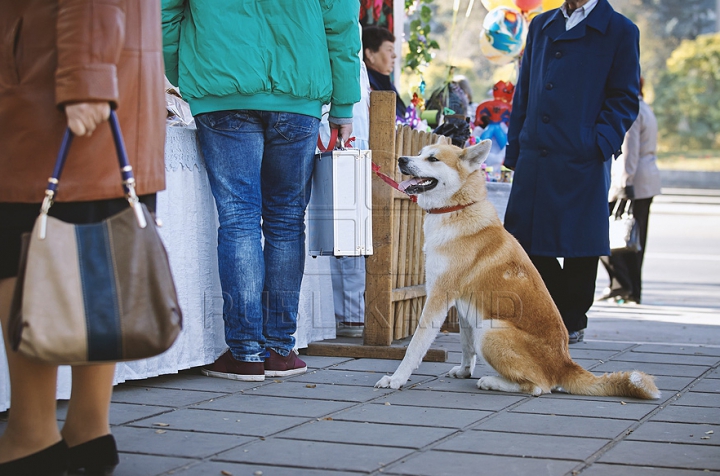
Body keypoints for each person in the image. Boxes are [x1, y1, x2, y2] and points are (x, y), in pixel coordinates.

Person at [0, 1, 166, 474]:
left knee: (26, 248)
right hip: (92, 79)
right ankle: (87, 432)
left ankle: (31, 436)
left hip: (56, 85)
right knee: (99, 256)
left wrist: (86, 78)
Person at [162, 1, 361, 381]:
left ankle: (246, 353)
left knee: (239, 220)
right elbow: (341, 25)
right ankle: (280, 349)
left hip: (221, 87)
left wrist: (187, 68)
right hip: (298, 93)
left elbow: (165, 14)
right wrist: (344, 104)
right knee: (287, 222)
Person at [503, 0, 641, 344]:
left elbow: (625, 97)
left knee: (580, 244)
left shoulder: (621, 30)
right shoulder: (541, 24)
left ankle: (572, 319)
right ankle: (556, 313)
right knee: (524, 240)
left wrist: (598, 141)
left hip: (582, 156)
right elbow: (524, 91)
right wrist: (516, 147)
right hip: (535, 153)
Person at [600, 77, 661, 304]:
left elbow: (628, 151)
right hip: (647, 181)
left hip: (632, 181)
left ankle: (622, 286)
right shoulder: (645, 107)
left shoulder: (631, 110)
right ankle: (632, 288)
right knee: (635, 238)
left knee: (617, 236)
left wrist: (623, 185)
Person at [362, 26, 407, 123]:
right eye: (389, 50)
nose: (394, 55)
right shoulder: (365, 85)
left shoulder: (388, 84)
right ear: (370, 54)